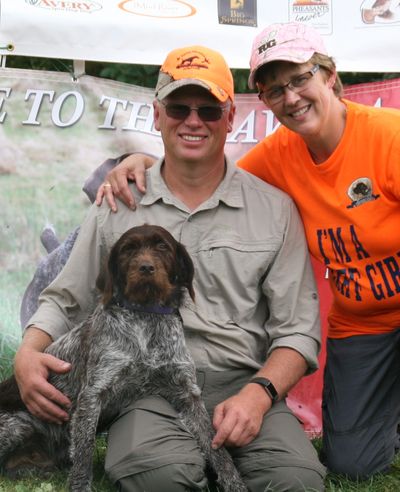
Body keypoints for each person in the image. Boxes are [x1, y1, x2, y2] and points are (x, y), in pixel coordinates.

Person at [14, 45, 326, 491]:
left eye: (209, 109)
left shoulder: (273, 209)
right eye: (179, 107)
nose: (193, 121)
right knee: (156, 477)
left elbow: (297, 331)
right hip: (150, 390)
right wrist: (28, 354)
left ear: (231, 115)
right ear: (157, 116)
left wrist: (259, 396)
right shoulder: (117, 202)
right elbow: (64, 297)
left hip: (246, 383)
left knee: (296, 483)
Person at [98, 22, 400, 481]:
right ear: (263, 102)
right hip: (366, 325)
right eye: (275, 89)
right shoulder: (274, 160)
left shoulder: (388, 137)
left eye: (301, 79)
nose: (292, 97)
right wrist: (139, 163)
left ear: (331, 77)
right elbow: (201, 169)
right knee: (351, 464)